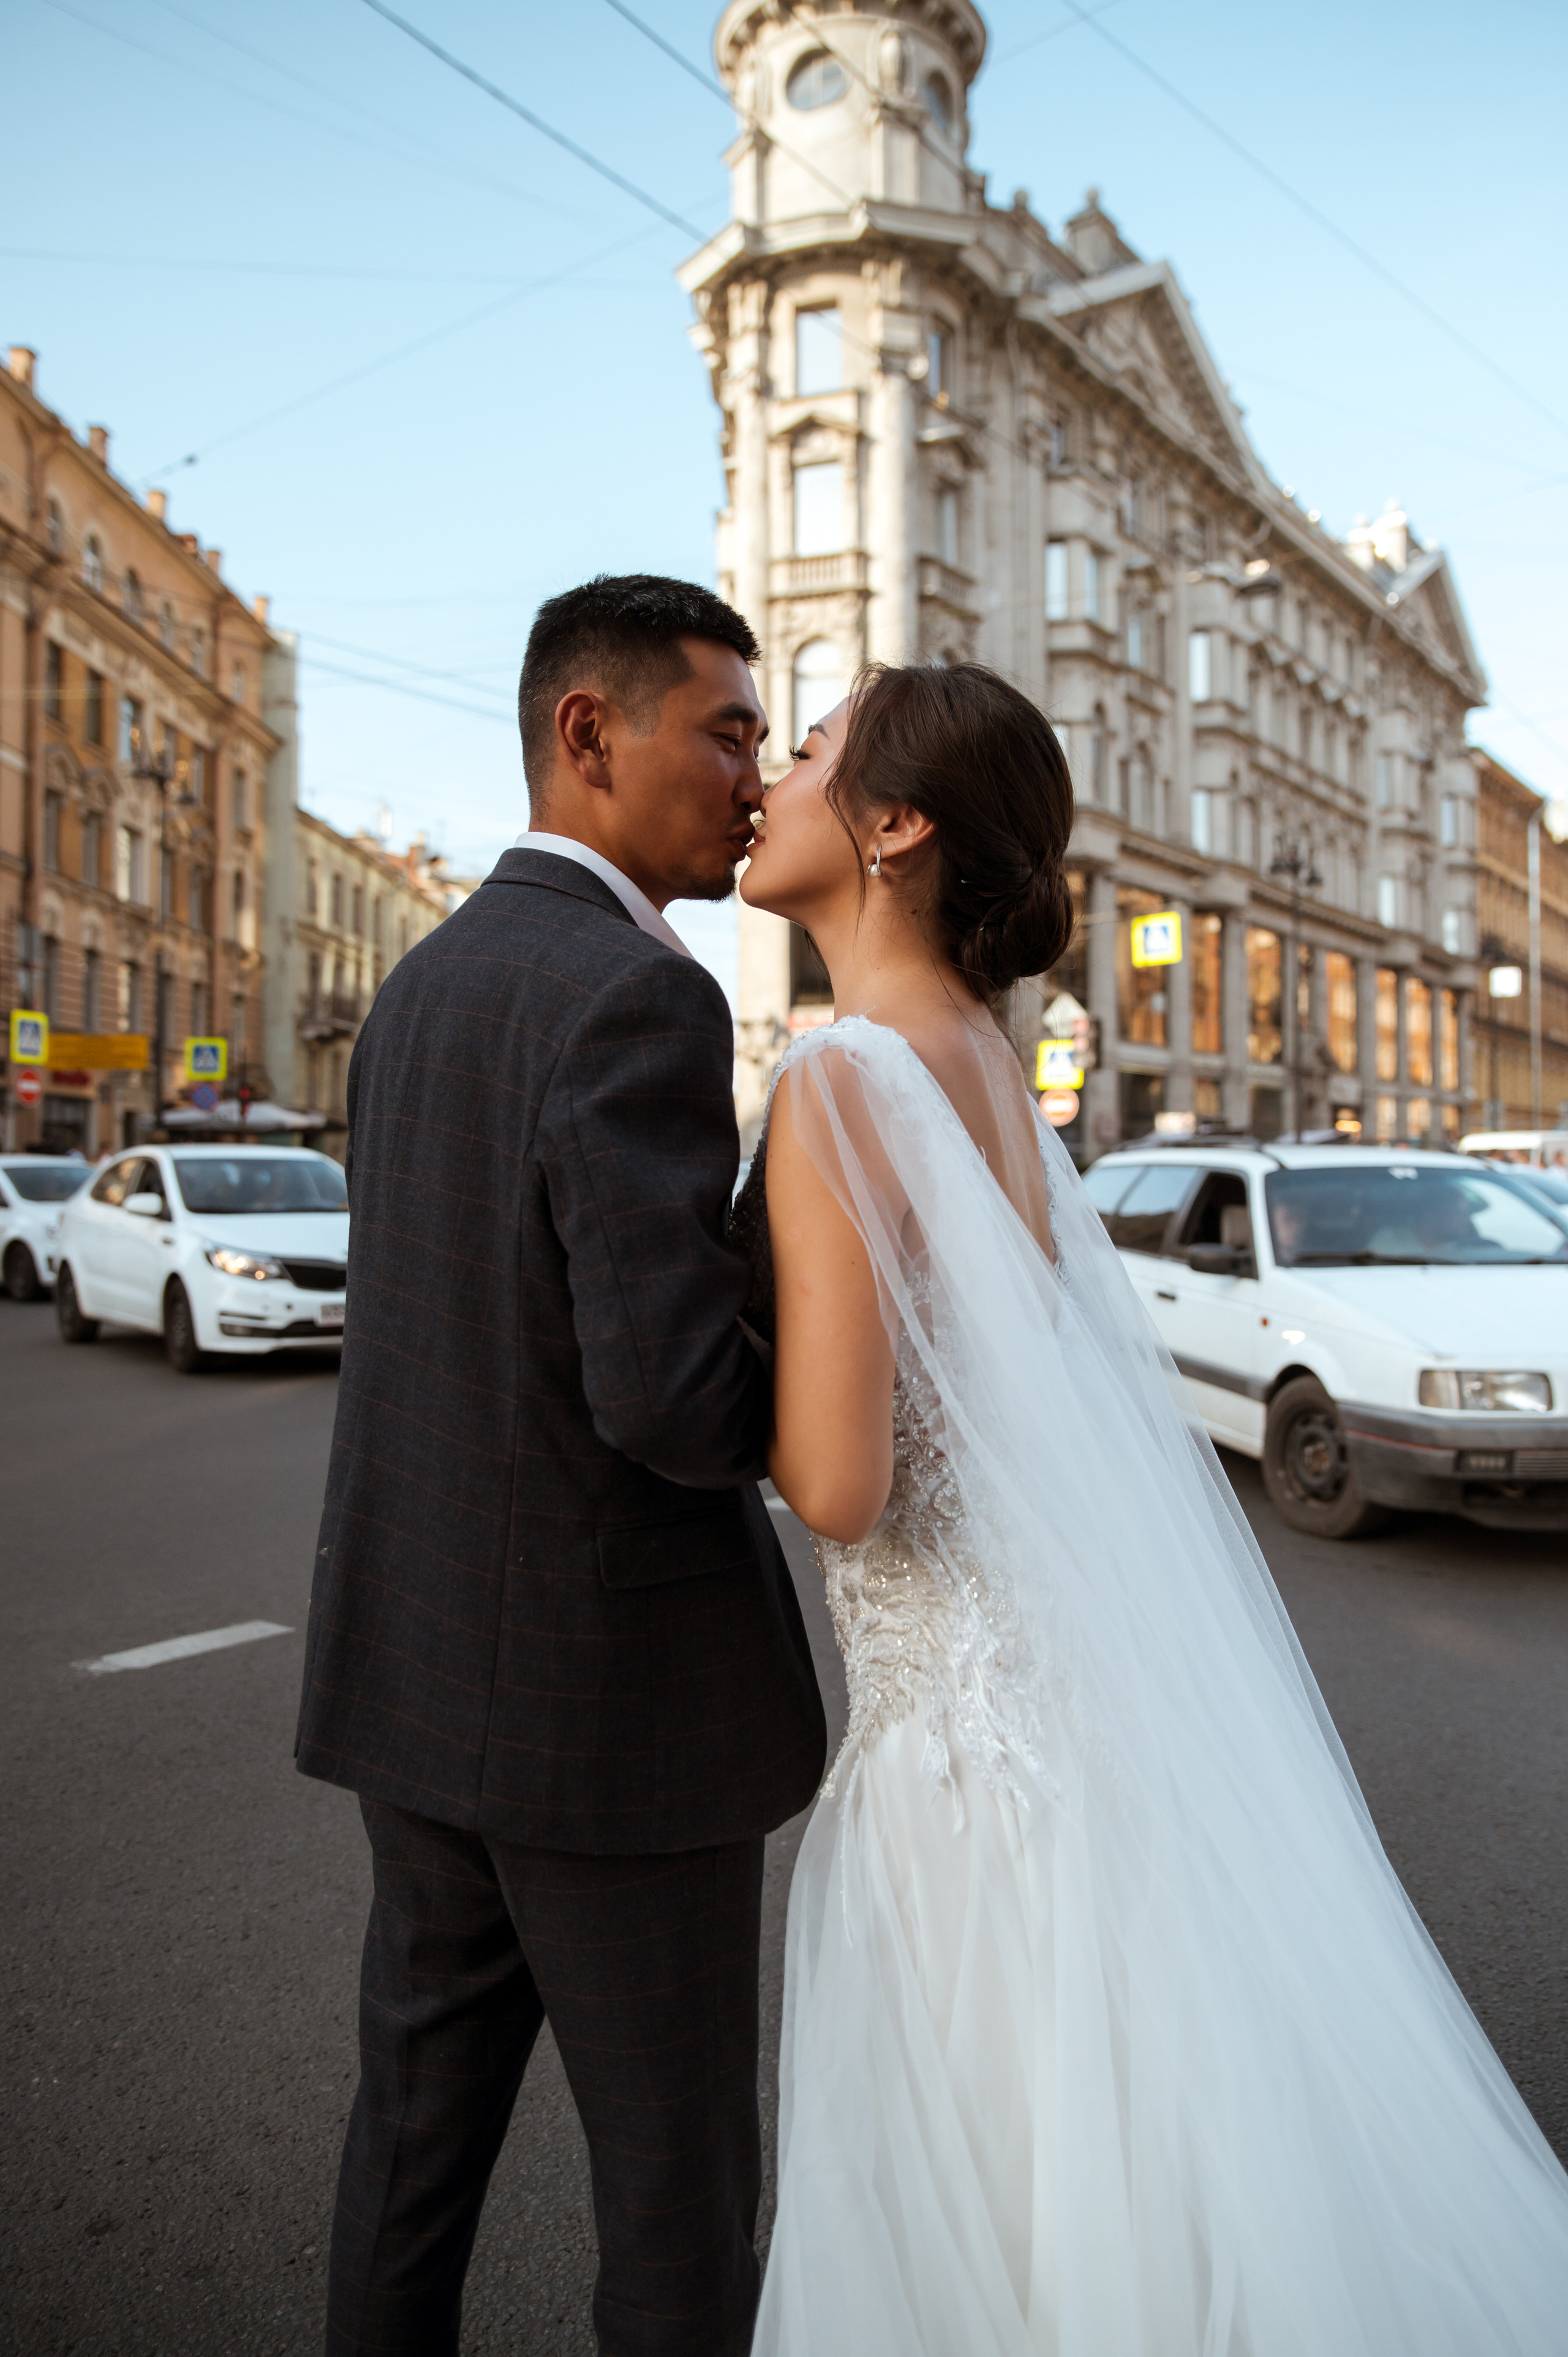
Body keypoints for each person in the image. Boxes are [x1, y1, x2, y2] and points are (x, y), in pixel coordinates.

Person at [732, 660, 1568, 2355]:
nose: (770, 773)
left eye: (808, 749)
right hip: (1067, 1714)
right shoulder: (990, 1075)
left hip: (961, 1745)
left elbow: (839, 1484)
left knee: (1007, 2188)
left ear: (893, 827)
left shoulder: (838, 1080)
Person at [296, 573, 826, 2357]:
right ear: (589, 735)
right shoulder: (635, 995)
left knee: (409, 2162)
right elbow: (669, 1399)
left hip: (418, 1694)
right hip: (614, 1736)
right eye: (731, 731)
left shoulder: (423, 986)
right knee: (677, 2212)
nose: (755, 777)